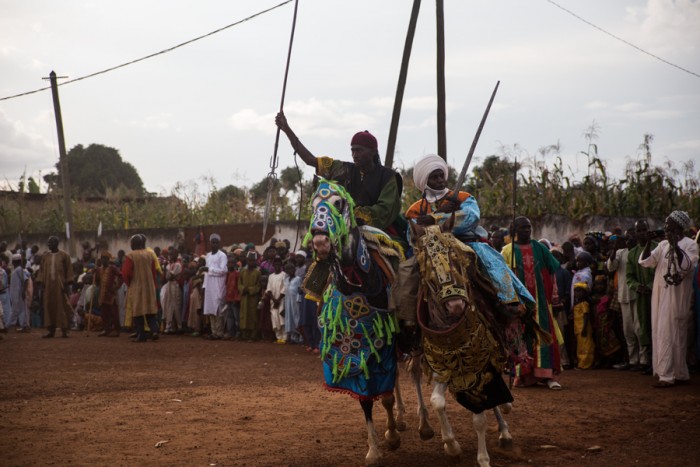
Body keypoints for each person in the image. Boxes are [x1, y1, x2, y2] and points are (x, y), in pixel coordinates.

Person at [275, 111, 402, 232]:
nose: (355, 155)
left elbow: (385, 209)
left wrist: (354, 215)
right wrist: (287, 129)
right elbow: (310, 160)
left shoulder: (388, 177)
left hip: (377, 230)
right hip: (344, 228)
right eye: (353, 150)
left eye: (359, 150)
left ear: (373, 152)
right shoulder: (342, 168)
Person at [502, 216, 563, 390]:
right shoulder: (507, 250)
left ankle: (549, 376)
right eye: (523, 228)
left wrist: (554, 295)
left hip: (540, 302)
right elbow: (502, 277)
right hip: (519, 303)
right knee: (521, 337)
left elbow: (551, 272)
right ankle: (522, 375)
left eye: (529, 227)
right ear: (514, 230)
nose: (527, 231)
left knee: (545, 334)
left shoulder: (540, 248)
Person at [639, 211, 699, 387]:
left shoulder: (690, 245)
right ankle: (679, 373)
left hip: (677, 297)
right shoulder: (663, 244)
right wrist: (649, 243)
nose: (665, 227)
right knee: (663, 331)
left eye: (669, 224)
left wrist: (676, 247)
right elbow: (646, 262)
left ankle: (666, 376)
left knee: (672, 333)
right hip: (660, 295)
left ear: (679, 226)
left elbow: (687, 266)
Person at [626, 219, 658, 374]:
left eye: (644, 230)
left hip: (657, 294)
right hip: (641, 296)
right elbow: (629, 277)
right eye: (639, 230)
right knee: (644, 327)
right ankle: (650, 361)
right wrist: (638, 286)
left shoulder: (657, 248)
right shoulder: (632, 254)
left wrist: (651, 286)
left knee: (658, 326)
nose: (641, 233)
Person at [607, 229, 641, 370]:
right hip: (624, 296)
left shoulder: (640, 251)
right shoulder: (621, 253)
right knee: (628, 330)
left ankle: (644, 359)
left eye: (631, 237)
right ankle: (633, 360)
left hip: (639, 295)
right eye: (627, 238)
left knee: (640, 329)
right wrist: (614, 250)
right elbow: (611, 267)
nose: (629, 240)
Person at [122, 234, 160, 343]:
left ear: (133, 244)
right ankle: (154, 330)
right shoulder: (149, 254)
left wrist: (130, 283)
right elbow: (153, 272)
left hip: (137, 285)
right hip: (149, 285)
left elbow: (126, 273)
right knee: (150, 310)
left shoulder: (130, 255)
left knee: (137, 310)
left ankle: (141, 335)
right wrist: (153, 284)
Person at [35, 236, 73, 338]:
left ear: (56, 243)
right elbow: (41, 270)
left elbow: (69, 270)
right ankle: (51, 330)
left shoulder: (64, 255)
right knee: (49, 306)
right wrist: (40, 282)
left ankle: (65, 330)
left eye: (51, 243)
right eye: (48, 243)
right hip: (48, 286)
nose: (49, 245)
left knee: (62, 307)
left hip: (60, 285)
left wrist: (67, 283)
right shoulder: (45, 256)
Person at [202, 233, 228, 340]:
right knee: (210, 309)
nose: (214, 244)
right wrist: (204, 286)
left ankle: (219, 332)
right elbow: (206, 273)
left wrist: (209, 270)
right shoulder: (208, 256)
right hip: (209, 286)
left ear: (219, 244)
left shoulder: (222, 255)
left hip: (218, 285)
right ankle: (213, 332)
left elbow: (223, 270)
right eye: (213, 242)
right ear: (210, 243)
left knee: (218, 309)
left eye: (216, 242)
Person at [93, 251, 123, 337]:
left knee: (114, 313)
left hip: (111, 294)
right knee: (104, 313)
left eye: (105, 259)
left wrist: (117, 286)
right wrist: (95, 274)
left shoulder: (112, 268)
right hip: (102, 294)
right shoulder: (99, 269)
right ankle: (106, 329)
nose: (103, 260)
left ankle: (116, 330)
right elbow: (97, 282)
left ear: (108, 259)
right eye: (102, 259)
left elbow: (121, 276)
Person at [238, 251, 262, 341]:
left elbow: (259, 285)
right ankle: (244, 334)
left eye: (253, 260)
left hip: (253, 298)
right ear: (247, 260)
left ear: (256, 261)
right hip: (244, 297)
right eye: (250, 260)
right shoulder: (243, 271)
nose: (251, 262)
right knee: (244, 314)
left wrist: (250, 290)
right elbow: (239, 283)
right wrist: (242, 289)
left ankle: (253, 335)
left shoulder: (258, 272)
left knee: (253, 315)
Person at [572, 282, 595, 369]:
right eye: (576, 291)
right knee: (581, 347)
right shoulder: (577, 304)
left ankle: (586, 364)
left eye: (580, 291)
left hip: (583, 328)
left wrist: (585, 328)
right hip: (578, 328)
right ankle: (581, 363)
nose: (577, 293)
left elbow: (586, 316)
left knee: (586, 346)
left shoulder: (584, 303)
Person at [161, 248, 183, 334]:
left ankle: (179, 326)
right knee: (168, 304)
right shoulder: (169, 264)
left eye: (172, 254)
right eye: (169, 254)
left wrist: (168, 271)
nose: (170, 256)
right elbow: (166, 278)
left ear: (176, 255)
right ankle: (168, 325)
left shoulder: (178, 265)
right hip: (169, 285)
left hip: (175, 285)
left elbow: (170, 276)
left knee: (176, 305)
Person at [265, 257, 287, 344]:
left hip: (281, 300)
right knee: (274, 317)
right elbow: (269, 289)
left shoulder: (284, 275)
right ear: (273, 265)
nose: (277, 266)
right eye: (275, 264)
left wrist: (278, 299)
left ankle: (284, 337)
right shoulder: (271, 276)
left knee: (282, 318)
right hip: (273, 301)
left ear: (281, 265)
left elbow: (285, 288)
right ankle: (278, 337)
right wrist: (274, 300)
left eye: (279, 264)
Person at [8, 253, 29, 332]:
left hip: (19, 293)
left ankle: (8, 325)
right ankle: (24, 325)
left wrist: (23, 291)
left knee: (16, 310)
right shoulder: (16, 270)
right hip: (15, 293)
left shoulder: (19, 269)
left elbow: (25, 280)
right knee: (20, 309)